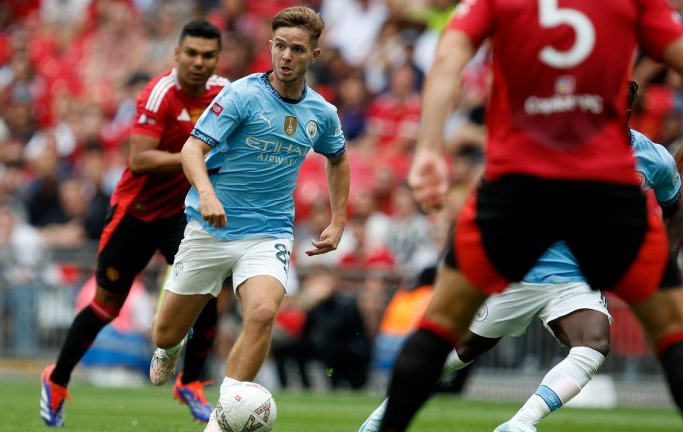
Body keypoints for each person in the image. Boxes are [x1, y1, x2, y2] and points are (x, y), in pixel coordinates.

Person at [378, 1, 683, 430]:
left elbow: (448, 55)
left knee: (442, 326)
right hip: (601, 185)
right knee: (674, 333)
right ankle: (379, 419)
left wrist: (429, 148)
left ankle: (515, 423)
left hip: (519, 187)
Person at [149, 6, 349, 432]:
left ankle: (225, 417)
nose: (286, 56)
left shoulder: (322, 113)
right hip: (210, 227)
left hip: (269, 230)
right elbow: (191, 150)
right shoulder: (241, 95)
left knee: (261, 312)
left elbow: (338, 157)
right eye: (280, 46)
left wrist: (338, 220)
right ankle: (169, 349)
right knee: (165, 333)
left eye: (297, 49)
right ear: (270, 46)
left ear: (314, 55)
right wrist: (205, 194)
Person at [39, 20, 229, 427]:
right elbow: (138, 159)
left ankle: (190, 382)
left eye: (207, 56)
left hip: (181, 214)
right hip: (135, 214)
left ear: (216, 59)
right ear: (176, 55)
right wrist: (194, 156)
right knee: (106, 307)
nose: (198, 62)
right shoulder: (159, 93)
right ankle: (56, 380)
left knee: (208, 293)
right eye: (191, 54)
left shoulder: (224, 93)